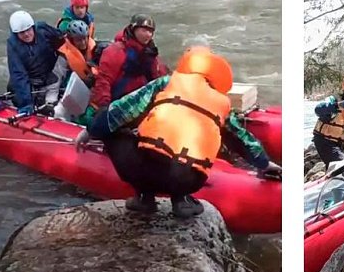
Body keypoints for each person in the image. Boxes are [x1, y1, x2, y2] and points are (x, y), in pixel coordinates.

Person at [74, 47, 281, 218]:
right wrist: (264, 163)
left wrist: (91, 131)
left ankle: (144, 199)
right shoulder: (222, 103)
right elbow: (242, 139)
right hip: (189, 179)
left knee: (113, 129)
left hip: (145, 170)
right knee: (188, 154)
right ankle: (180, 200)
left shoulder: (167, 82)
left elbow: (120, 111)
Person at [89, 14, 167, 110]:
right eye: (144, 30)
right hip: (119, 103)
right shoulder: (116, 51)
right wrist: (104, 106)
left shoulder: (151, 54)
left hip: (141, 101)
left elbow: (157, 79)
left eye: (150, 31)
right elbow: (104, 80)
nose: (148, 34)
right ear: (133, 29)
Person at [6, 10, 66, 115]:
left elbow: (61, 37)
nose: (26, 34)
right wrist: (26, 103)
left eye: (28, 30)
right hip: (33, 81)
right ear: (16, 34)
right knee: (13, 87)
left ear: (33, 27)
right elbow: (18, 74)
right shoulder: (13, 45)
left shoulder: (43, 30)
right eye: (21, 32)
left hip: (51, 75)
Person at [53, 20, 98, 88]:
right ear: (71, 40)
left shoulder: (95, 49)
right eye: (78, 40)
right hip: (72, 87)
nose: (83, 43)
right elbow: (57, 78)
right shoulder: (64, 56)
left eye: (84, 38)